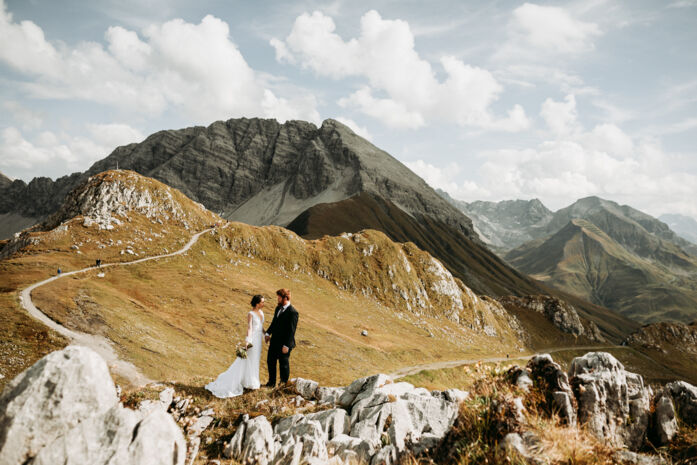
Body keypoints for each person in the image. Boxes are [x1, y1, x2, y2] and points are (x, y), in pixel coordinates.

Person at [205, 294, 265, 398]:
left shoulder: (261, 312)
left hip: (259, 340)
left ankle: (252, 381)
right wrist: (247, 341)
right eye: (262, 302)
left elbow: (261, 326)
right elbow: (249, 328)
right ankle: (247, 382)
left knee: (255, 360)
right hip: (253, 339)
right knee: (248, 360)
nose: (264, 304)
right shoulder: (251, 313)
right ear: (257, 303)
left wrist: (265, 335)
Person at [264, 288, 299, 387]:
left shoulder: (293, 312)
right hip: (275, 341)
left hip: (285, 344)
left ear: (286, 298)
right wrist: (267, 333)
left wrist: (286, 345)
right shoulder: (278, 309)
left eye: (279, 298)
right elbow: (274, 323)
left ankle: (282, 385)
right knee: (270, 361)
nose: (278, 300)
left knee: (283, 365)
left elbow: (292, 331)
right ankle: (271, 383)